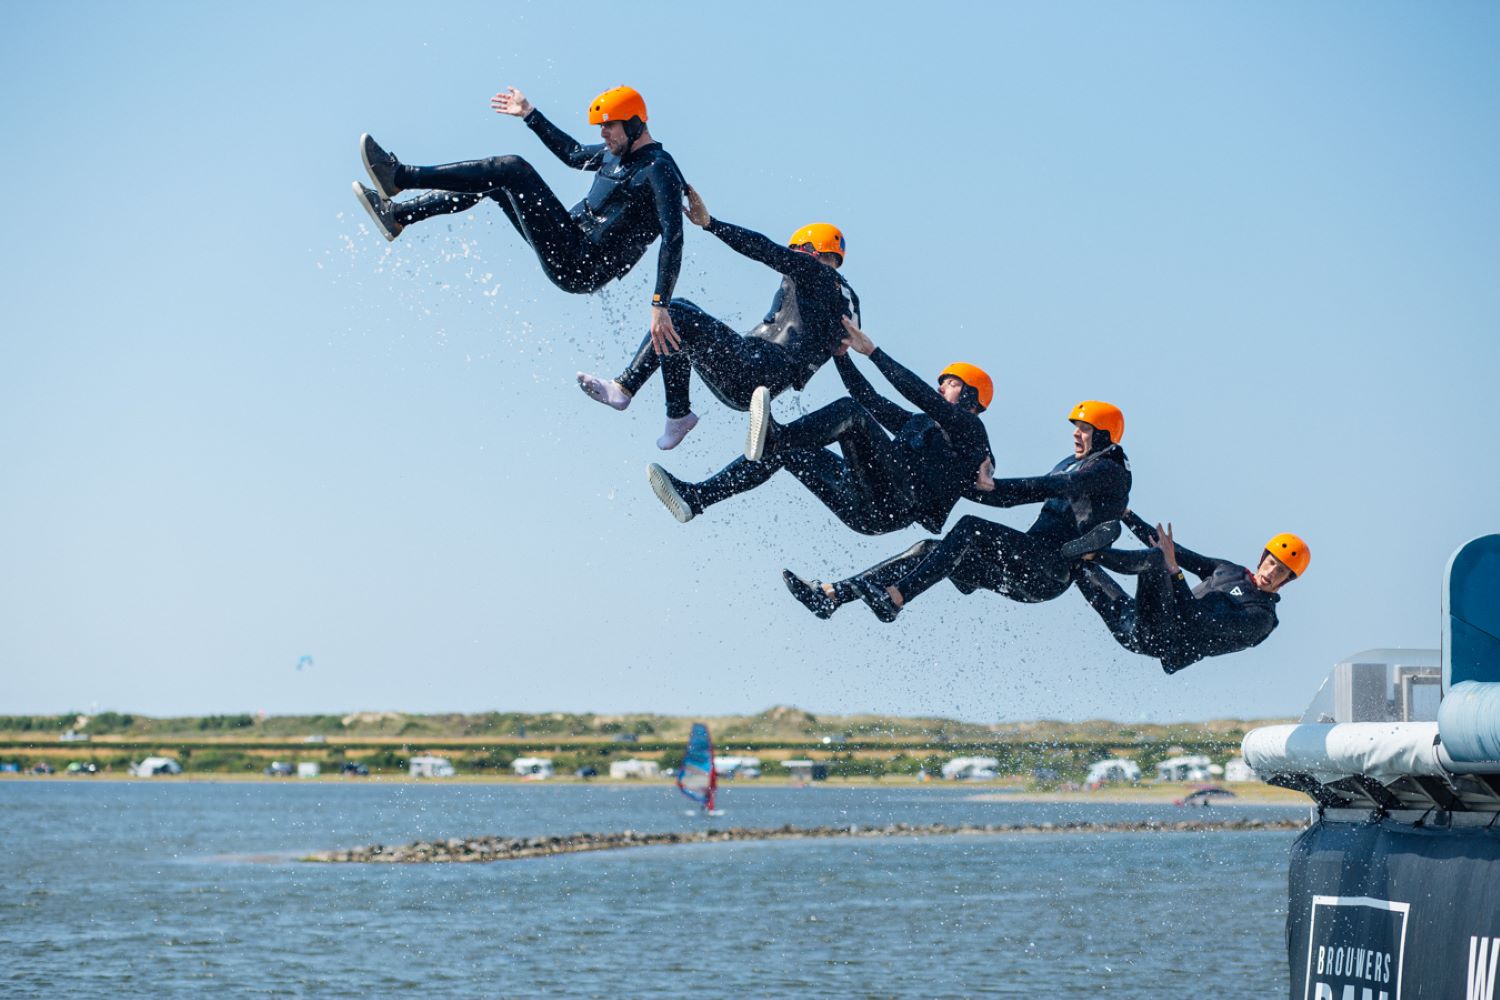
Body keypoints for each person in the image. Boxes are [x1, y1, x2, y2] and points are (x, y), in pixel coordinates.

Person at [351, 85, 685, 352]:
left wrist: (660, 303)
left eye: (609, 126)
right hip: (568, 237)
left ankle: (400, 176)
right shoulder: (614, 154)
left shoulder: (659, 169)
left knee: (512, 168)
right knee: (496, 184)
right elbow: (571, 154)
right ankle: (398, 215)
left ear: (634, 123)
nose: (603, 135)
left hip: (583, 264)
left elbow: (673, 237)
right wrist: (529, 113)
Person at [646, 317, 994, 539]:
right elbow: (867, 396)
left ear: (972, 397)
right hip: (865, 507)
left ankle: (775, 438)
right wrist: (840, 355)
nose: (940, 388)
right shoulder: (922, 425)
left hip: (898, 503)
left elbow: (915, 391)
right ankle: (697, 498)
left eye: (950, 384)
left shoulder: (973, 434)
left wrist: (872, 352)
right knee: (801, 445)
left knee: (848, 415)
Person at [789, 401, 1130, 621]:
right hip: (1025, 565)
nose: (1076, 433)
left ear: (1103, 435)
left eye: (1084, 429)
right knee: (929, 549)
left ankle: (895, 597)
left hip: (1050, 568)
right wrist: (963, 485)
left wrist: (995, 486)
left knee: (970, 529)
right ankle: (832, 595)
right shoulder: (1072, 463)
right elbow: (1011, 498)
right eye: (1076, 426)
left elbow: (1051, 488)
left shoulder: (1109, 470)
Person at [575, 187, 858, 449]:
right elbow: (840, 348)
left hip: (758, 365)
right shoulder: (848, 302)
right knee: (681, 321)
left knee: (674, 313)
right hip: (762, 387)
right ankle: (678, 415)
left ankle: (625, 387)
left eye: (796, 251)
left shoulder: (816, 271)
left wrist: (711, 224)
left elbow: (764, 249)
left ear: (812, 251)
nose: (791, 258)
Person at [1073, 512, 1308, 673]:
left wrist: (1174, 570)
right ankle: (1072, 554)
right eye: (1271, 563)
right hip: (1134, 619)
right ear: (1262, 558)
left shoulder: (1261, 617)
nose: (1272, 572)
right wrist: (1125, 514)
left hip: (1161, 640)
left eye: (1282, 572)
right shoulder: (1230, 571)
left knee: (1156, 561)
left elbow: (1195, 617)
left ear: (1287, 581)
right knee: (1076, 564)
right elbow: (1173, 550)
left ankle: (1095, 553)